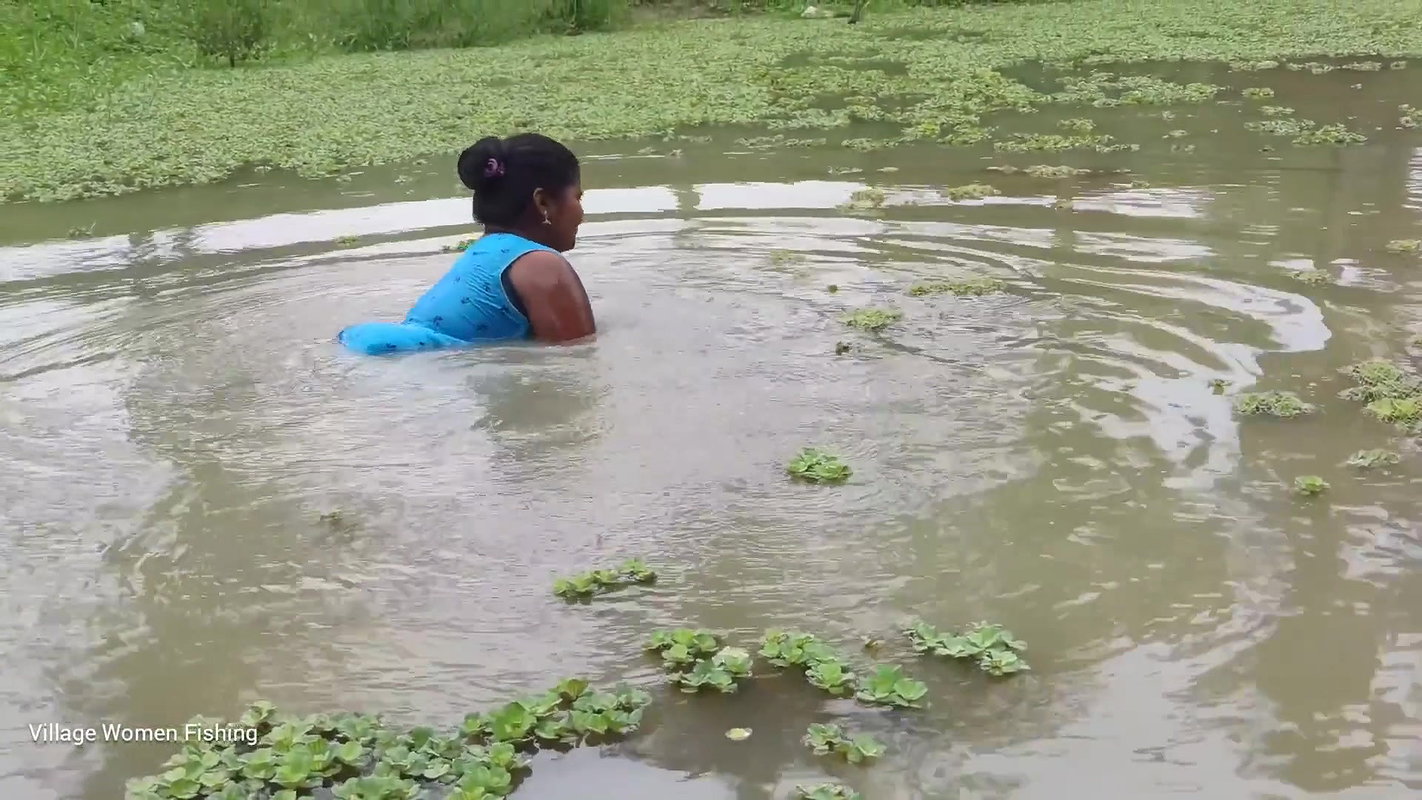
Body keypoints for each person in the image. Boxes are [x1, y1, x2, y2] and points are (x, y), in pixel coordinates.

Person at [337, 133, 595, 355]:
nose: (581, 213)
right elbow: (576, 359)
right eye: (577, 197)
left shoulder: (483, 255)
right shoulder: (541, 265)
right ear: (543, 203)